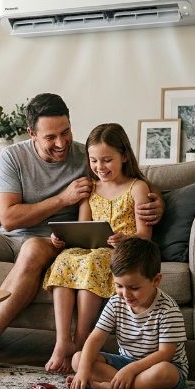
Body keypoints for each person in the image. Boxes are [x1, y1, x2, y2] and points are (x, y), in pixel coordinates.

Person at [0, 93, 163, 368]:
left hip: (51, 242)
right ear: (31, 133)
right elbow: (8, 218)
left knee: (33, 246)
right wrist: (63, 199)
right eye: (50, 137)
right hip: (9, 237)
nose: (61, 142)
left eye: (66, 132)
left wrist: (159, 203)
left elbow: (131, 179)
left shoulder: (88, 155)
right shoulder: (13, 156)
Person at [42, 123, 153, 374]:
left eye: (106, 160)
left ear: (124, 156)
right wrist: (62, 239)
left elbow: (145, 234)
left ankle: (82, 342)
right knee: (65, 258)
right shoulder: (90, 188)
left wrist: (126, 238)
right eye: (93, 161)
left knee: (93, 262)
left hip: (124, 252)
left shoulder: (137, 188)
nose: (99, 167)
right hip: (92, 249)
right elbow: (82, 228)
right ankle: (62, 342)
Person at [69, 237, 188, 389]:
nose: (125, 294)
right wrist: (82, 371)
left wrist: (131, 370)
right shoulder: (116, 302)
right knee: (78, 359)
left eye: (134, 288)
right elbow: (95, 338)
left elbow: (165, 354)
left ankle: (108, 388)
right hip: (125, 362)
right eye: (119, 286)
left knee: (165, 371)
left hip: (160, 368)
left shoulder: (168, 310)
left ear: (156, 280)